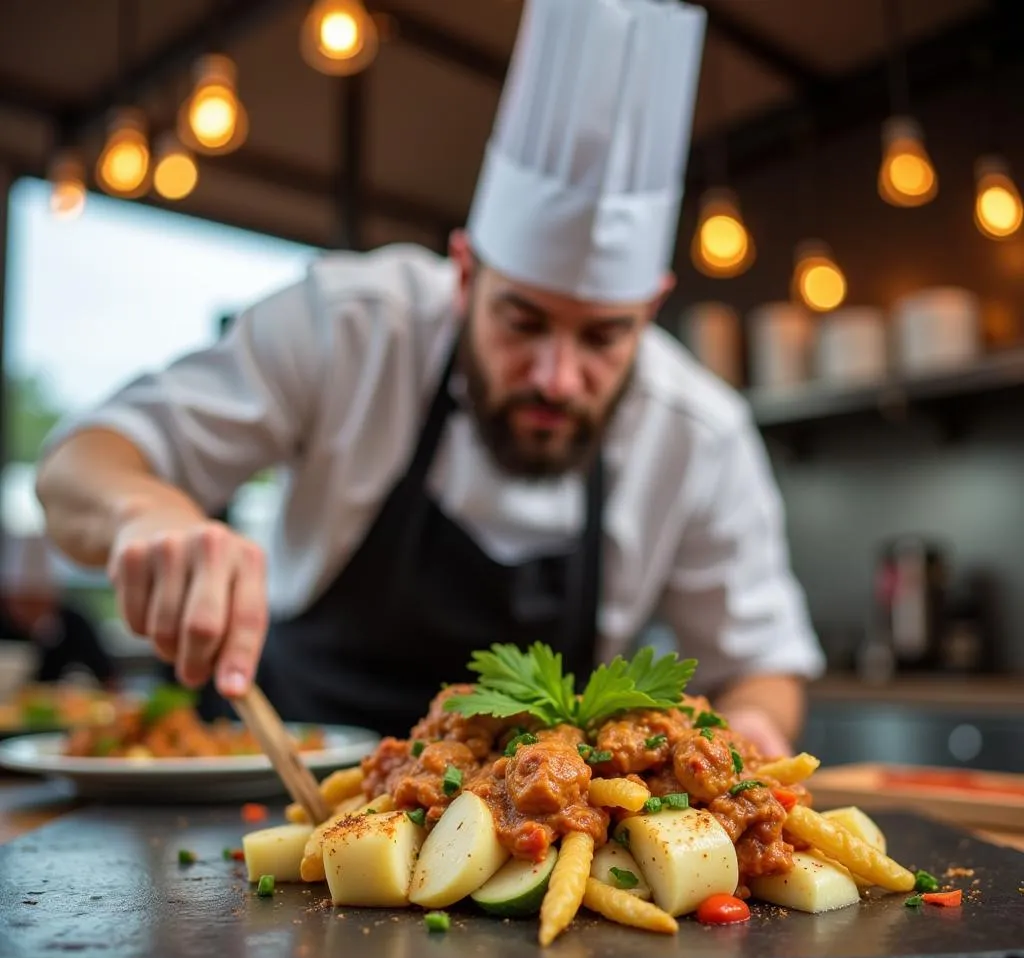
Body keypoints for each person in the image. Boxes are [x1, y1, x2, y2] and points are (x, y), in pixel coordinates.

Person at [33, 0, 823, 754]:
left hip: (537, 835)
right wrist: (147, 515)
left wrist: (750, 725)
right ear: (465, 273)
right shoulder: (350, 324)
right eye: (522, 321)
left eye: (604, 338)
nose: (556, 376)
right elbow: (79, 465)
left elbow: (761, 662)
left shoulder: (701, 434)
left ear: (651, 311)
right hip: (284, 792)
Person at [0, 532, 116, 687]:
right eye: (22, 602)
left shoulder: (75, 625)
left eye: (36, 601)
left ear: (52, 599)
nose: (28, 611)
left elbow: (108, 679)